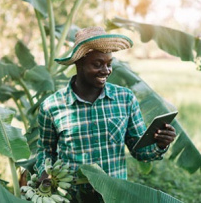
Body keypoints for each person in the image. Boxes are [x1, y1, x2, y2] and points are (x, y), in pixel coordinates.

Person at [34, 26, 176, 202]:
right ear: (79, 63)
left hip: (114, 197)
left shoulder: (125, 99)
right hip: (71, 197)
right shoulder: (52, 106)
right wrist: (44, 172)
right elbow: (46, 151)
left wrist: (160, 144)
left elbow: (141, 152)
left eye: (109, 64)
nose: (106, 71)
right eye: (97, 64)